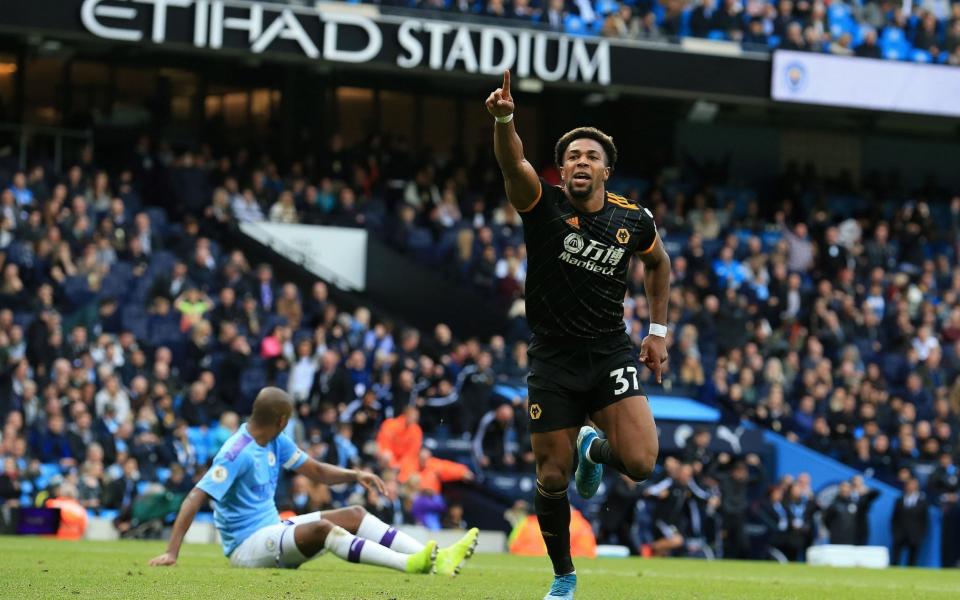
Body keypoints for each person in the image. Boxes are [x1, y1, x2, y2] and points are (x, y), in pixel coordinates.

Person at [486, 70, 669, 600]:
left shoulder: (632, 220)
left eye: (590, 156)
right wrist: (505, 120)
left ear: (606, 169)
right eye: (571, 157)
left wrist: (657, 331)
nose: (580, 162)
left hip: (610, 350)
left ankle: (596, 451)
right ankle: (564, 576)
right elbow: (510, 161)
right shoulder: (542, 205)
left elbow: (658, 266)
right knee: (551, 477)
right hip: (553, 358)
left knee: (640, 463)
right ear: (561, 171)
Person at [149, 387, 477, 577]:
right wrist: (172, 552)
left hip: (273, 527)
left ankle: (437, 560)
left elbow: (316, 471)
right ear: (280, 421)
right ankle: (410, 565)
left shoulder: (275, 440)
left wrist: (355, 474)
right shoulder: (236, 453)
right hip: (245, 547)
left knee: (355, 515)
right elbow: (195, 496)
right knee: (324, 530)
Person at [891, 478, 928, 566]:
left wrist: (920, 534)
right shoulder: (899, 500)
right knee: (895, 558)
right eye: (909, 485)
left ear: (917, 487)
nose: (911, 487)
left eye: (913, 485)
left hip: (915, 535)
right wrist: (895, 532)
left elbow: (924, 520)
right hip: (900, 534)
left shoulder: (922, 502)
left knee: (912, 559)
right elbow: (894, 518)